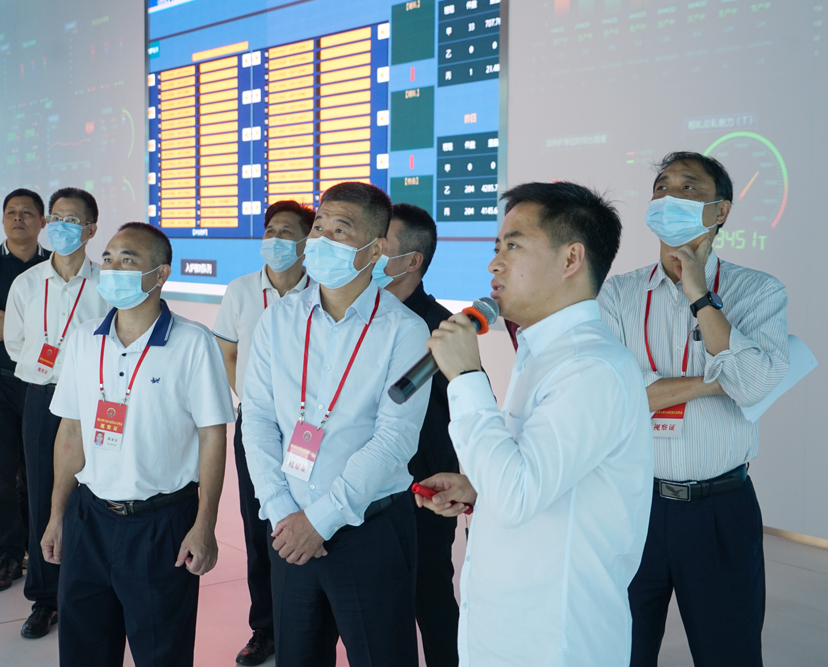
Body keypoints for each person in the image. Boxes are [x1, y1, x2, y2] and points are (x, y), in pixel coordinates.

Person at [418, 182, 653, 666]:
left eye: (513, 246)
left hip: (553, 638)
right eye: (496, 247)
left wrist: (467, 378)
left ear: (571, 259)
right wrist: (477, 487)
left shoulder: (591, 367)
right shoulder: (544, 352)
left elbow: (518, 494)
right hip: (508, 628)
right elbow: (539, 473)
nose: (494, 264)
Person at [597, 152, 789, 667]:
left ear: (720, 210)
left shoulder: (758, 291)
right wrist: (716, 381)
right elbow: (612, 396)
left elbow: (751, 386)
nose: (669, 197)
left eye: (688, 187)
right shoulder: (618, 293)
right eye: (662, 187)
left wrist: (699, 292)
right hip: (633, 503)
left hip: (719, 508)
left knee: (729, 653)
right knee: (620, 651)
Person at [242, 182, 431, 667]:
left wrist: (320, 521)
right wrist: (282, 511)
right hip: (288, 529)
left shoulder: (407, 332)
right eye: (319, 228)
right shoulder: (278, 320)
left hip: (369, 529)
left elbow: (394, 439)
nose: (321, 240)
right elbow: (258, 417)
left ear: (375, 249)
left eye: (339, 230)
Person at [41, 222, 234, 667]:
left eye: (127, 260)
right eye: (108, 259)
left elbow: (213, 435)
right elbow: (70, 431)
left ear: (161, 273)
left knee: (161, 652)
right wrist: (57, 515)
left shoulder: (193, 342)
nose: (112, 268)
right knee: (83, 650)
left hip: (160, 524)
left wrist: (205, 524)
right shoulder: (85, 338)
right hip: (89, 518)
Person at [212, 200, 314, 666]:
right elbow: (228, 353)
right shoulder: (241, 291)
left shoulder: (322, 291)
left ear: (307, 241)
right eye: (270, 230)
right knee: (260, 528)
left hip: (309, 430)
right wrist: (255, 404)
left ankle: (310, 624)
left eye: (286, 232)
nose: (275, 239)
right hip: (256, 426)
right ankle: (266, 629)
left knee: (311, 519)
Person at [3, 187, 109, 638]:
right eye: (56, 218)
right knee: (43, 491)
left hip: (94, 401)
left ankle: (92, 588)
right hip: (43, 396)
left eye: (73, 220)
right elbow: (15, 344)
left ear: (91, 229)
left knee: (96, 490)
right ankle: (45, 598)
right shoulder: (28, 283)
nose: (61, 227)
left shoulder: (106, 283)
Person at [378, 202, 460, 667]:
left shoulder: (442, 329)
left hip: (422, 494)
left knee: (431, 601)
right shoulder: (365, 319)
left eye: (381, 243)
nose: (369, 251)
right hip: (365, 489)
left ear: (412, 260)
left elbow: (466, 412)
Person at [0, 188, 51, 592]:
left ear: (42, 222)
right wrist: (35, 326)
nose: (18, 218)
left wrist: (13, 323)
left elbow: (62, 325)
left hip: (40, 383)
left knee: (39, 473)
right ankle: (8, 557)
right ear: (2, 220)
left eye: (27, 213)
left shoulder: (53, 267)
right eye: (11, 212)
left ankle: (40, 553)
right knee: (0, 474)